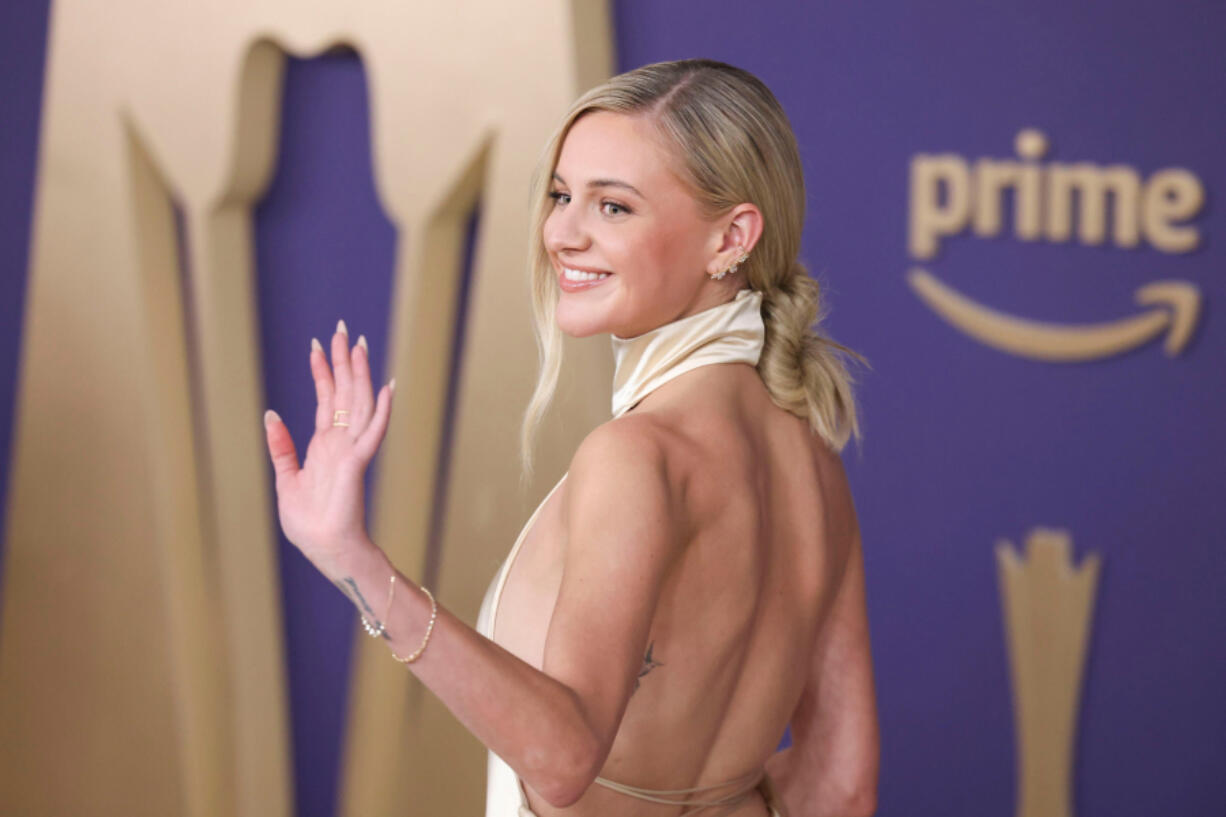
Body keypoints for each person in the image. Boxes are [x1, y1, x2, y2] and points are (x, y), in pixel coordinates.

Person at [263, 58, 879, 817]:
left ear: (732, 237)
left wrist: (348, 556)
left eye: (613, 207)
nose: (561, 233)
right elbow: (842, 786)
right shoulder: (815, 462)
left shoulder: (638, 457)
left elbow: (563, 760)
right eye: (560, 195)